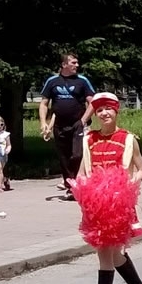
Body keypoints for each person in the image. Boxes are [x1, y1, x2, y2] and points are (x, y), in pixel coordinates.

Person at [73, 93, 142, 284]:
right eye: (99, 111)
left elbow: (141, 169)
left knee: (105, 252)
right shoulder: (89, 139)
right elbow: (81, 173)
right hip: (95, 206)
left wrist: (128, 186)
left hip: (118, 205)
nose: (104, 114)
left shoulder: (127, 139)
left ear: (117, 111)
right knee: (113, 255)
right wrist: (83, 193)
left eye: (108, 109)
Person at [38, 53, 95, 201]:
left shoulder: (82, 81)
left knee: (76, 155)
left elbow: (93, 102)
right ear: (64, 65)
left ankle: (80, 183)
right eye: (73, 63)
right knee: (63, 157)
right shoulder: (52, 81)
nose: (77, 65)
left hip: (78, 124)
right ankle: (70, 187)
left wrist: (83, 120)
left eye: (77, 63)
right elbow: (44, 103)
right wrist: (44, 123)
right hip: (60, 125)